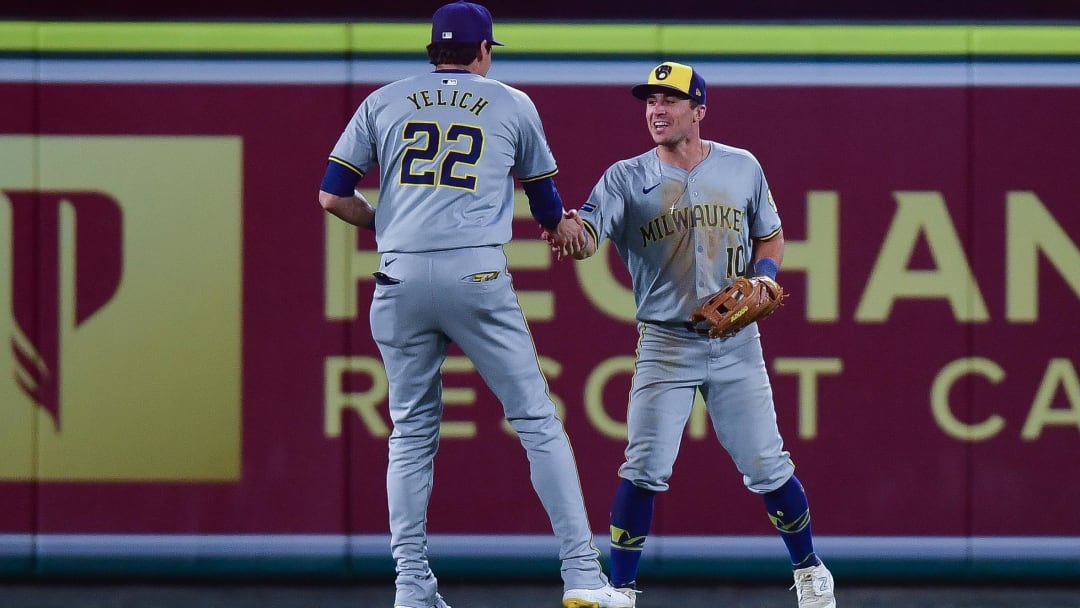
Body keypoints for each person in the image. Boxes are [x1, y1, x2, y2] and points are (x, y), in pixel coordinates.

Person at [317, 2, 634, 608]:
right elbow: (547, 207)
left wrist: (387, 222)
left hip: (398, 276)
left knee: (409, 433)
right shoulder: (511, 102)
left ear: (432, 52)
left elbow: (332, 197)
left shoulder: (383, 101)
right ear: (483, 51)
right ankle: (582, 576)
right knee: (537, 421)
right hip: (475, 273)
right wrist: (564, 230)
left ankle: (411, 587)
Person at [544, 61, 837, 608]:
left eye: (670, 101)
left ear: (698, 110)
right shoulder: (625, 177)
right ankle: (623, 589)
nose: (656, 110)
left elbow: (771, 240)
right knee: (643, 468)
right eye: (650, 101)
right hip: (666, 341)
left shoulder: (742, 167)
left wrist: (764, 277)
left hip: (734, 343)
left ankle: (809, 570)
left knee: (768, 465)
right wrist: (569, 232)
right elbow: (587, 239)